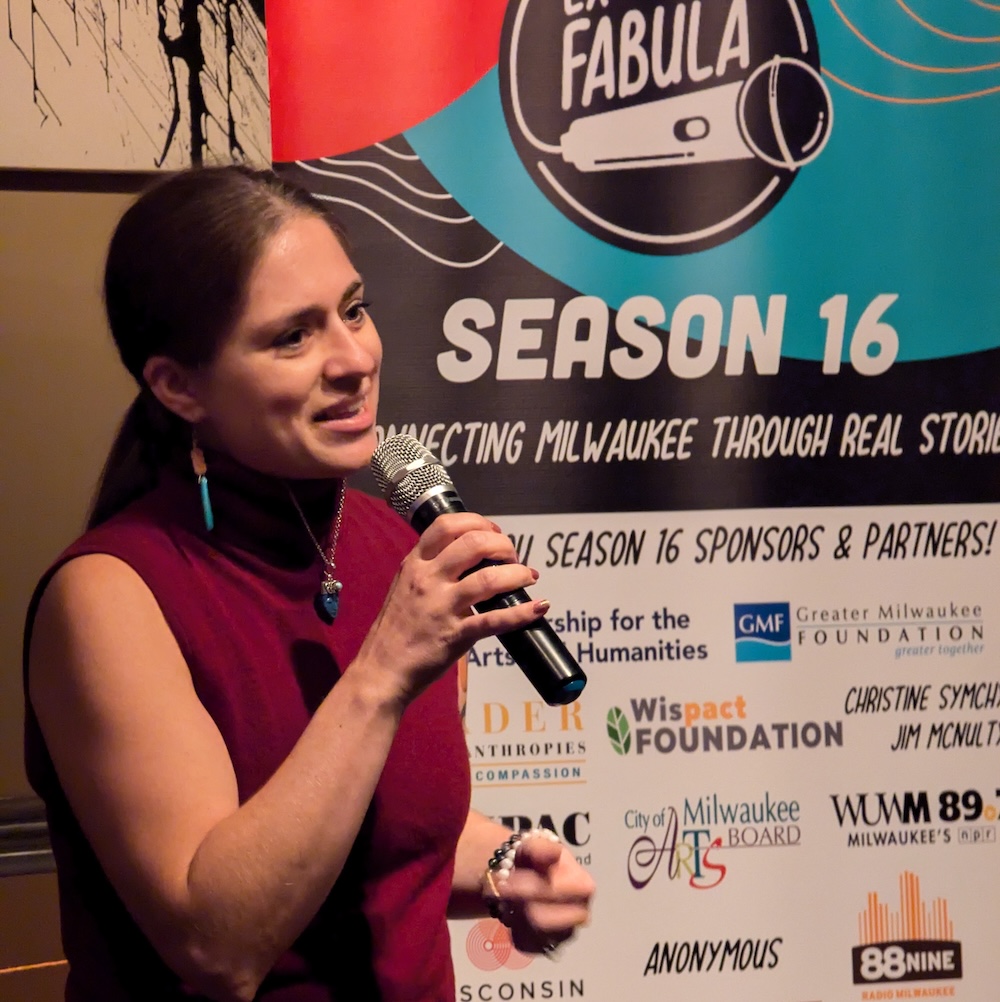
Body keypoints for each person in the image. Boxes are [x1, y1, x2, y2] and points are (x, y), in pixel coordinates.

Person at [23, 165, 595, 1001]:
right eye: (293, 336)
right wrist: (383, 673)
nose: (354, 359)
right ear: (178, 386)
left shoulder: (392, 544)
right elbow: (220, 944)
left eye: (353, 311)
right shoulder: (109, 595)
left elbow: (376, 834)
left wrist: (501, 865)